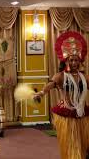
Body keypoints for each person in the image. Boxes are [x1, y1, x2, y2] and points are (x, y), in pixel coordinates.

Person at [33, 31, 89, 159]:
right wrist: (41, 93)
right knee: (72, 143)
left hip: (82, 114)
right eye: (71, 60)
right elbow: (50, 85)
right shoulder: (61, 76)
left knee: (83, 142)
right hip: (67, 114)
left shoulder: (84, 77)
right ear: (66, 61)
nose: (74, 63)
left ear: (80, 61)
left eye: (76, 60)